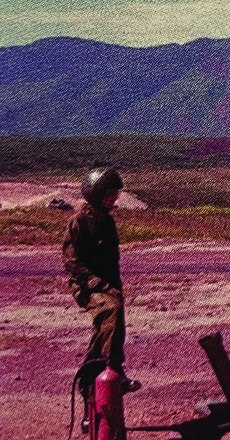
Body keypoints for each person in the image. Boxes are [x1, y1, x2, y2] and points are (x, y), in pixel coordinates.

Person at [63, 166, 140, 393]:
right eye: (109, 193)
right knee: (110, 310)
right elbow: (73, 264)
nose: (114, 198)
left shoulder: (107, 222)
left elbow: (111, 262)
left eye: (115, 193)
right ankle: (105, 370)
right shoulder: (78, 222)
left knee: (111, 325)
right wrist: (103, 286)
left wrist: (114, 287)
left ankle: (104, 372)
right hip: (85, 286)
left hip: (108, 286)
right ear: (96, 193)